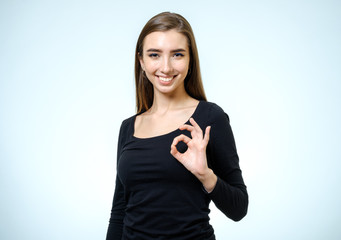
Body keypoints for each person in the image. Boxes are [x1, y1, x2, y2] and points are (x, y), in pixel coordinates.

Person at [106, 12, 248, 240]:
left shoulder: (210, 117)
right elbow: (119, 212)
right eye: (155, 54)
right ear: (141, 61)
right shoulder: (128, 127)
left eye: (177, 54)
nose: (166, 67)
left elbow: (239, 208)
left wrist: (205, 175)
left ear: (190, 59)